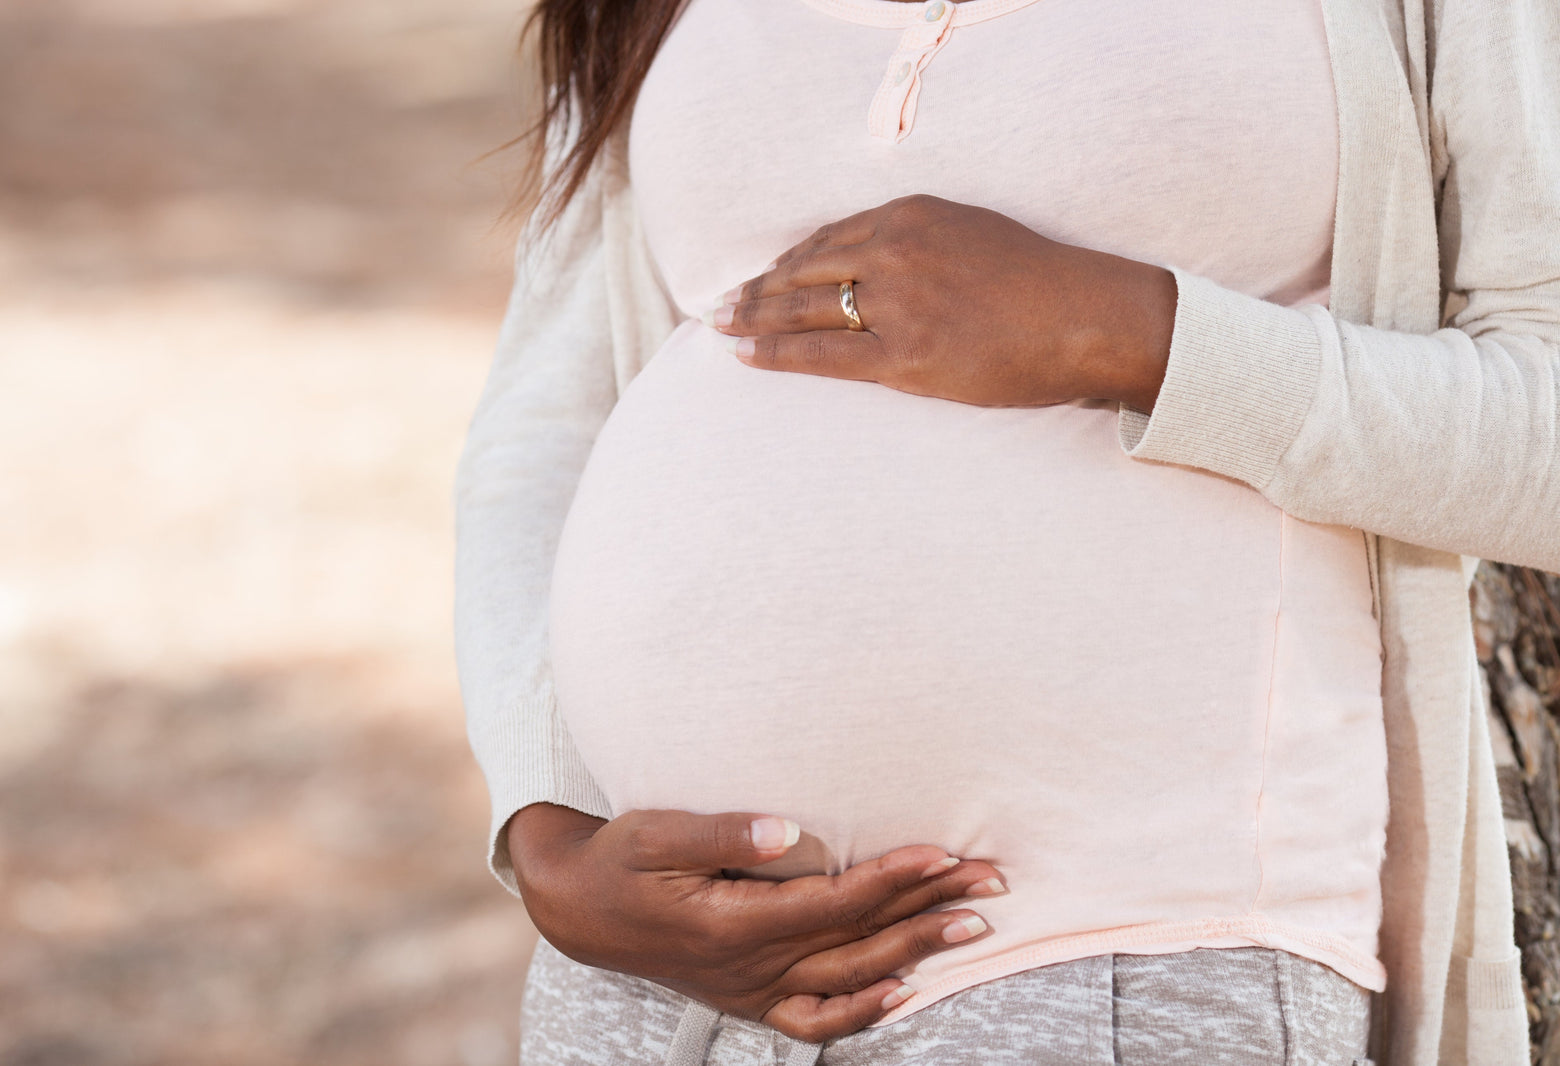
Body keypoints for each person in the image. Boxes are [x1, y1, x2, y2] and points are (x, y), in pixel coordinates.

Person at [453, 0, 1560, 1063]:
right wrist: (547, 826)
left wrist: (1133, 335)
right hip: (655, 963)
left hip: (1129, 946)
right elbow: (548, 416)